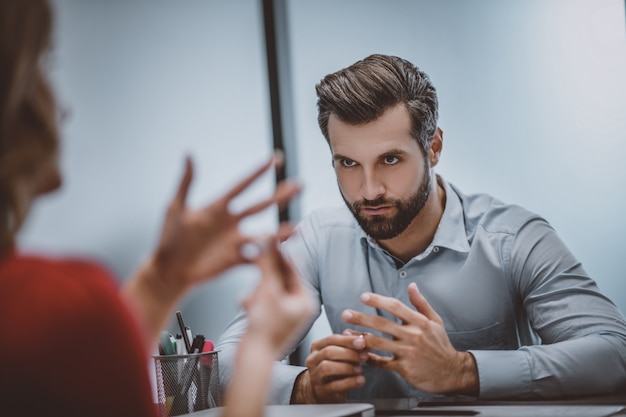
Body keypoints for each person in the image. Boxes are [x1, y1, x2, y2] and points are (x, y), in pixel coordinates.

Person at [216, 53, 626, 404]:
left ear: (433, 148)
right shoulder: (319, 238)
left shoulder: (514, 238)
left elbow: (615, 352)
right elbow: (224, 360)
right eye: (348, 163)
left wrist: (464, 370)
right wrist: (304, 387)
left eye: (390, 160)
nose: (369, 189)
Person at [0, 1, 314, 416]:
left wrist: (162, 280)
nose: (62, 107)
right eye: (43, 64)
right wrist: (259, 350)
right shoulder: (53, 309)